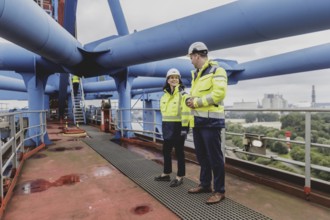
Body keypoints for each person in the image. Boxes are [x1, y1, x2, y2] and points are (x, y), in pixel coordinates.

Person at [185, 42, 228, 204]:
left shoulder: (218, 70)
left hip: (211, 122)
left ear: (196, 55)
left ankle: (219, 190)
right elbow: (197, 96)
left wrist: (196, 102)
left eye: (191, 57)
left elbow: (218, 94)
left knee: (215, 157)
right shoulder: (197, 74)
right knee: (202, 156)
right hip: (198, 122)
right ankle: (205, 185)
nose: (190, 60)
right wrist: (190, 100)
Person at [154, 68, 190, 187]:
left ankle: (180, 177)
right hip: (167, 126)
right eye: (171, 77)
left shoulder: (183, 94)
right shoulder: (164, 96)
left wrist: (185, 128)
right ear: (167, 80)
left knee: (179, 152)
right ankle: (166, 173)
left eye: (176, 77)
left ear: (179, 79)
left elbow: (186, 112)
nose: (174, 79)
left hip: (179, 126)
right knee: (166, 151)